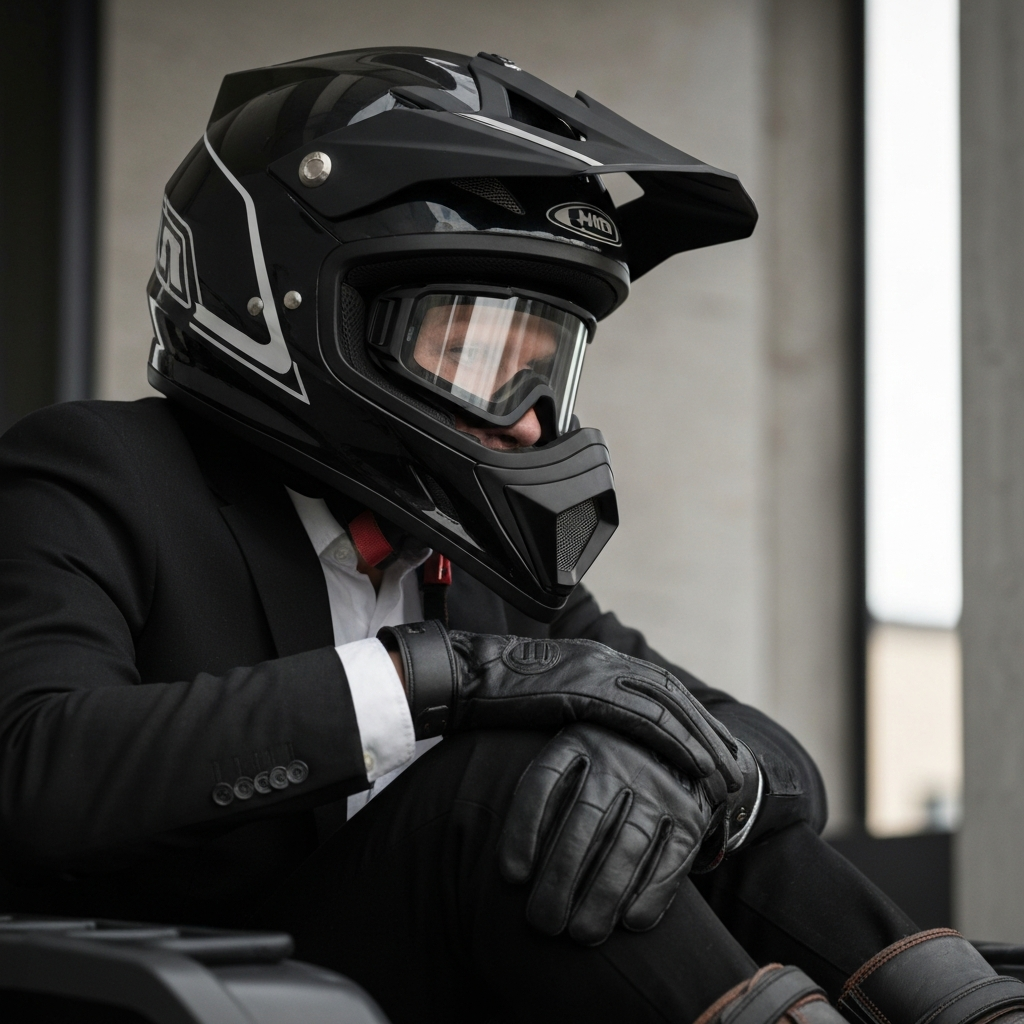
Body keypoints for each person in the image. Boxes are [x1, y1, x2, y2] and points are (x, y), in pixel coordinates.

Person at [0, 45, 1019, 1024]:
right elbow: (37, 766)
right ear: (300, 308)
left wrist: (689, 774)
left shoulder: (488, 573)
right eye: (479, 348)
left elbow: (776, 760)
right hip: (178, 985)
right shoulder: (97, 469)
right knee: (506, 791)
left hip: (423, 985)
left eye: (548, 364)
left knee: (676, 779)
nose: (530, 415)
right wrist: (438, 678)